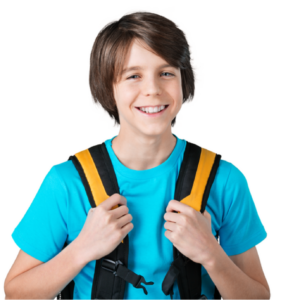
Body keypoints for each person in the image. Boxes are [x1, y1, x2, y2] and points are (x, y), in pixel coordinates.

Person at [4, 11, 270, 299]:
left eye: (166, 73)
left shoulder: (224, 180)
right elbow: (16, 291)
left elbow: (258, 295)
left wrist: (212, 255)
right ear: (109, 87)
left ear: (184, 81)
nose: (153, 90)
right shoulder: (67, 183)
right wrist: (81, 249)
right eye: (134, 76)